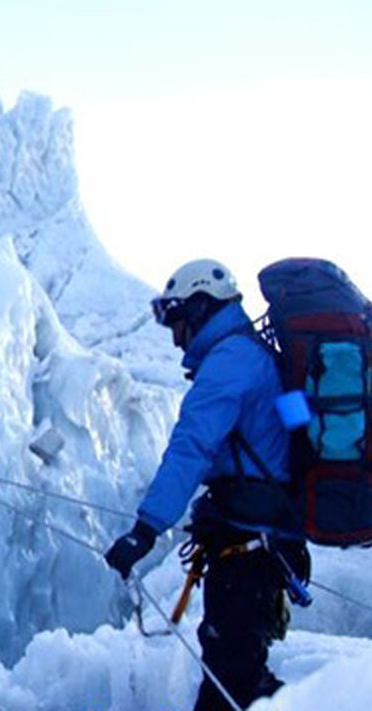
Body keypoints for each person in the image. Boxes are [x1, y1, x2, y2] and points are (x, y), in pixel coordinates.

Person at [104, 259, 310, 711]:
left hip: (249, 549)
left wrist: (146, 529)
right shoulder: (259, 358)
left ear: (201, 308)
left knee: (230, 681)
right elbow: (294, 437)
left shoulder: (230, 364)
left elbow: (191, 447)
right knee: (240, 674)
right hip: (265, 541)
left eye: (179, 324)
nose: (178, 340)